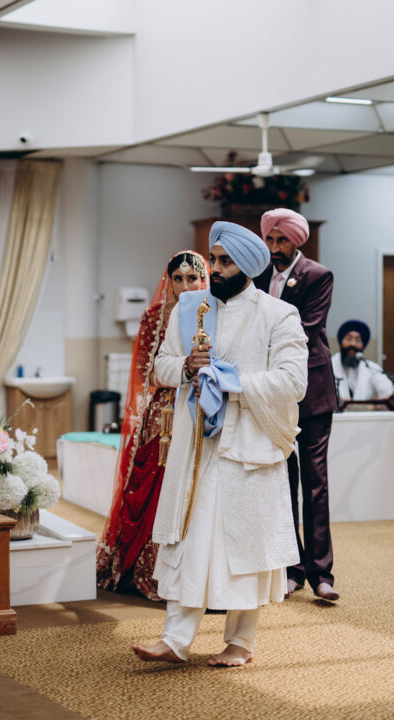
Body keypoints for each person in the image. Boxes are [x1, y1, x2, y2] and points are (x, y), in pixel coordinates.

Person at [132, 221, 308, 666]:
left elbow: (294, 382)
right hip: (197, 447)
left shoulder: (278, 314)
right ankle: (174, 640)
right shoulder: (190, 308)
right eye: (213, 258)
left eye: (225, 261)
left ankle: (240, 643)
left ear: (247, 265)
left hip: (248, 446)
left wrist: (233, 382)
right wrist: (188, 368)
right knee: (189, 538)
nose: (214, 268)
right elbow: (160, 368)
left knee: (244, 546)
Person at [96, 251, 209, 600]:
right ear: (169, 281)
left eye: (192, 278)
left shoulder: (214, 312)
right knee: (154, 485)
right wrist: (183, 371)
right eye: (179, 279)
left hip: (206, 406)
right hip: (166, 413)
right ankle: (145, 569)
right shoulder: (154, 316)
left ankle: (195, 573)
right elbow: (146, 372)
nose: (186, 286)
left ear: (203, 279)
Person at [255, 208, 339, 602]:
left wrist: (261, 343)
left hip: (313, 392)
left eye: (281, 240)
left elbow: (306, 328)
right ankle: (292, 569)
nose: (274, 247)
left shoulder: (318, 276)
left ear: (297, 241)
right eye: (270, 240)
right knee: (283, 483)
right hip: (273, 395)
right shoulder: (257, 276)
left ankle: (323, 574)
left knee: (315, 483)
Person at [332, 320, 394, 404]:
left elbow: (389, 390)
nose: (353, 344)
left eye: (358, 340)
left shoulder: (370, 367)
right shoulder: (329, 365)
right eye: (348, 339)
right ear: (341, 342)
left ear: (363, 345)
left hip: (362, 412)